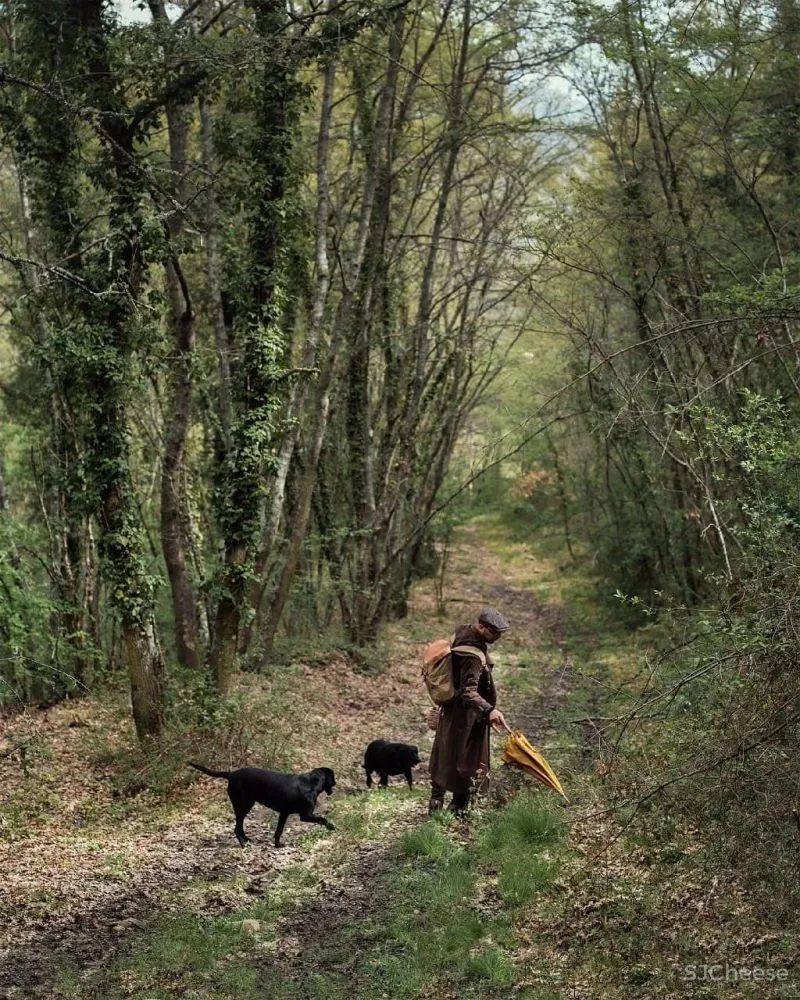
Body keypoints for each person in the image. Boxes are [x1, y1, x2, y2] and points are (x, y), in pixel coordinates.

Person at [428, 607, 509, 816]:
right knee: (466, 761)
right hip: (466, 717)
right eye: (494, 632)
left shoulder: (463, 631)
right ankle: (457, 811)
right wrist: (489, 710)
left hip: (453, 711)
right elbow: (468, 691)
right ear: (481, 627)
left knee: (445, 756)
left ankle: (436, 810)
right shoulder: (472, 656)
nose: (498, 637)